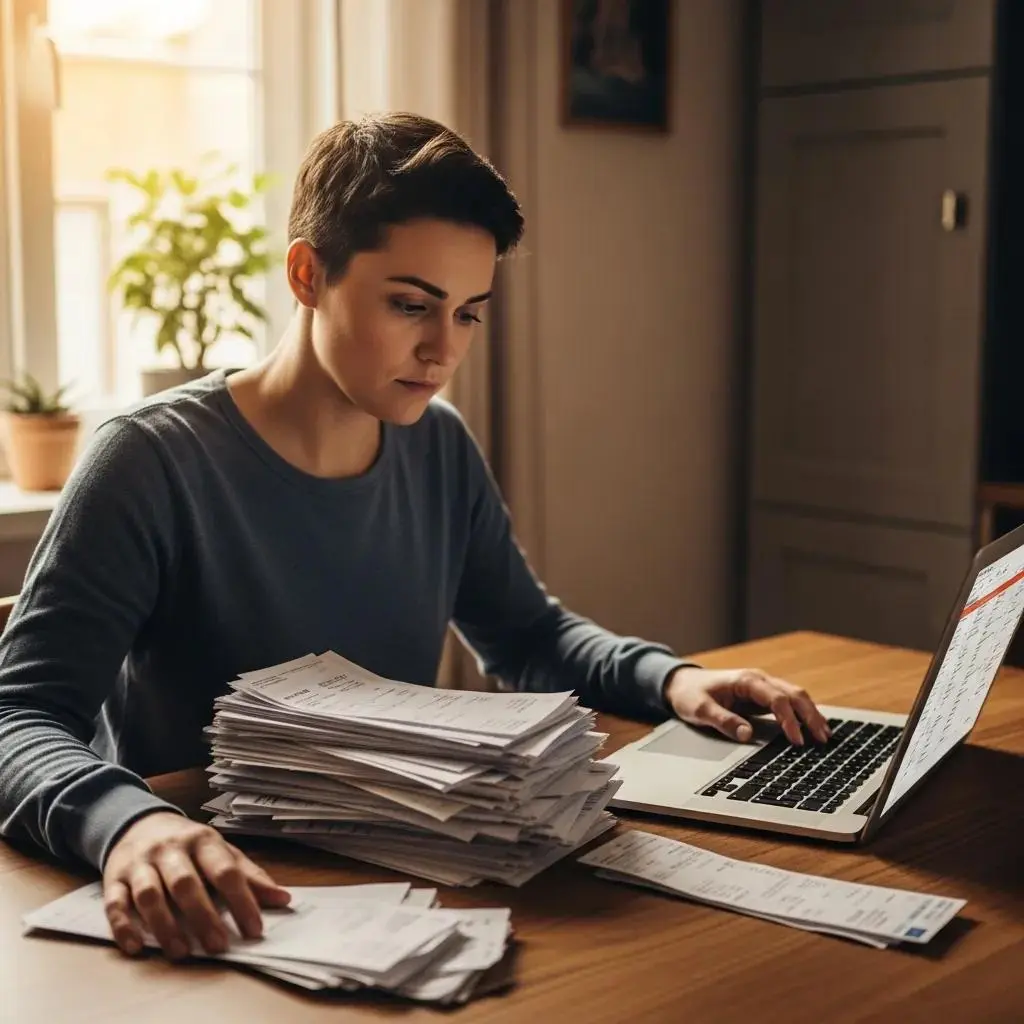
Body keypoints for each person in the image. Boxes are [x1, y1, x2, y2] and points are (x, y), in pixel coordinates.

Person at [0, 113, 830, 963]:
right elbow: (17, 715)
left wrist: (675, 678)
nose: (442, 350)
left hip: (390, 894)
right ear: (306, 274)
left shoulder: (436, 444)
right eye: (410, 305)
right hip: (212, 908)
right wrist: (127, 823)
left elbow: (528, 635)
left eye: (469, 314)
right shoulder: (150, 461)